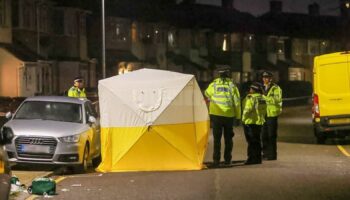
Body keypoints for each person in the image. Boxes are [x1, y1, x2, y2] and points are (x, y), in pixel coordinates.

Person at [205, 67, 241, 167]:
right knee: (228, 139)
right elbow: (237, 103)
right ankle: (227, 160)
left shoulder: (214, 84)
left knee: (217, 139)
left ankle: (216, 160)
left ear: (219, 75)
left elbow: (207, 94)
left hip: (216, 115)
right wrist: (238, 117)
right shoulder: (232, 86)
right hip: (229, 116)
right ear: (228, 75)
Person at [242, 82, 266, 165]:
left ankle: (251, 158)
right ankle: (258, 158)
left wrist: (243, 119)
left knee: (251, 142)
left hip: (250, 122)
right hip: (259, 122)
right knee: (257, 141)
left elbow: (247, 110)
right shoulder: (262, 98)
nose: (250, 90)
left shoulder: (251, 98)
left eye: (251, 88)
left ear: (254, 89)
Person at [261, 71, 282, 160]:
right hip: (263, 114)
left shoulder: (276, 88)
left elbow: (277, 100)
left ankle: (272, 155)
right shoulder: (261, 88)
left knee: (271, 135)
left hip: (272, 114)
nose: (265, 79)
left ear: (271, 79)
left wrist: (265, 98)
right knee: (263, 135)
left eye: (267, 77)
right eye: (264, 77)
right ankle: (265, 153)